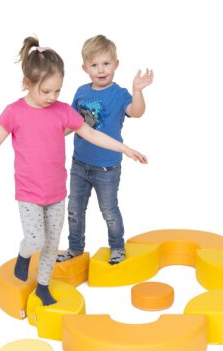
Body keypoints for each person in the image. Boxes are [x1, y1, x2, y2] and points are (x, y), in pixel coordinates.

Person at [0, 36, 146, 306]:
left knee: (51, 244)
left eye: (57, 91)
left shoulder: (62, 111)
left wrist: (124, 148)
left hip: (56, 193)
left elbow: (91, 134)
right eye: (46, 91)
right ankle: (24, 255)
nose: (52, 97)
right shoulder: (14, 112)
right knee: (36, 240)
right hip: (29, 194)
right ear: (28, 83)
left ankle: (43, 287)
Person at [57, 35, 153, 265]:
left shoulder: (119, 94)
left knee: (109, 210)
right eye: (94, 65)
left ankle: (117, 247)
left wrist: (137, 91)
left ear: (116, 64)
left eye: (106, 63)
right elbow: (72, 123)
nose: (101, 70)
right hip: (79, 164)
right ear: (85, 68)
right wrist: (53, 135)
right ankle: (75, 248)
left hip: (107, 167)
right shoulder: (81, 92)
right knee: (74, 209)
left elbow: (137, 111)